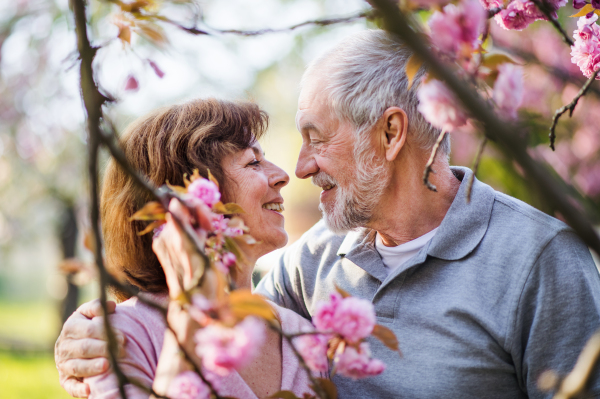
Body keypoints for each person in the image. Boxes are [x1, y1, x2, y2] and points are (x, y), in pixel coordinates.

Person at [56, 30, 600, 398]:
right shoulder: (308, 268)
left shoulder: (540, 261)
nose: (298, 166)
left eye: (316, 139)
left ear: (390, 134)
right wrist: (88, 336)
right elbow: (225, 331)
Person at [63, 98, 325, 398]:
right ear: (187, 198)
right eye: (253, 162)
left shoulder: (301, 333)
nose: (282, 175)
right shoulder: (122, 335)